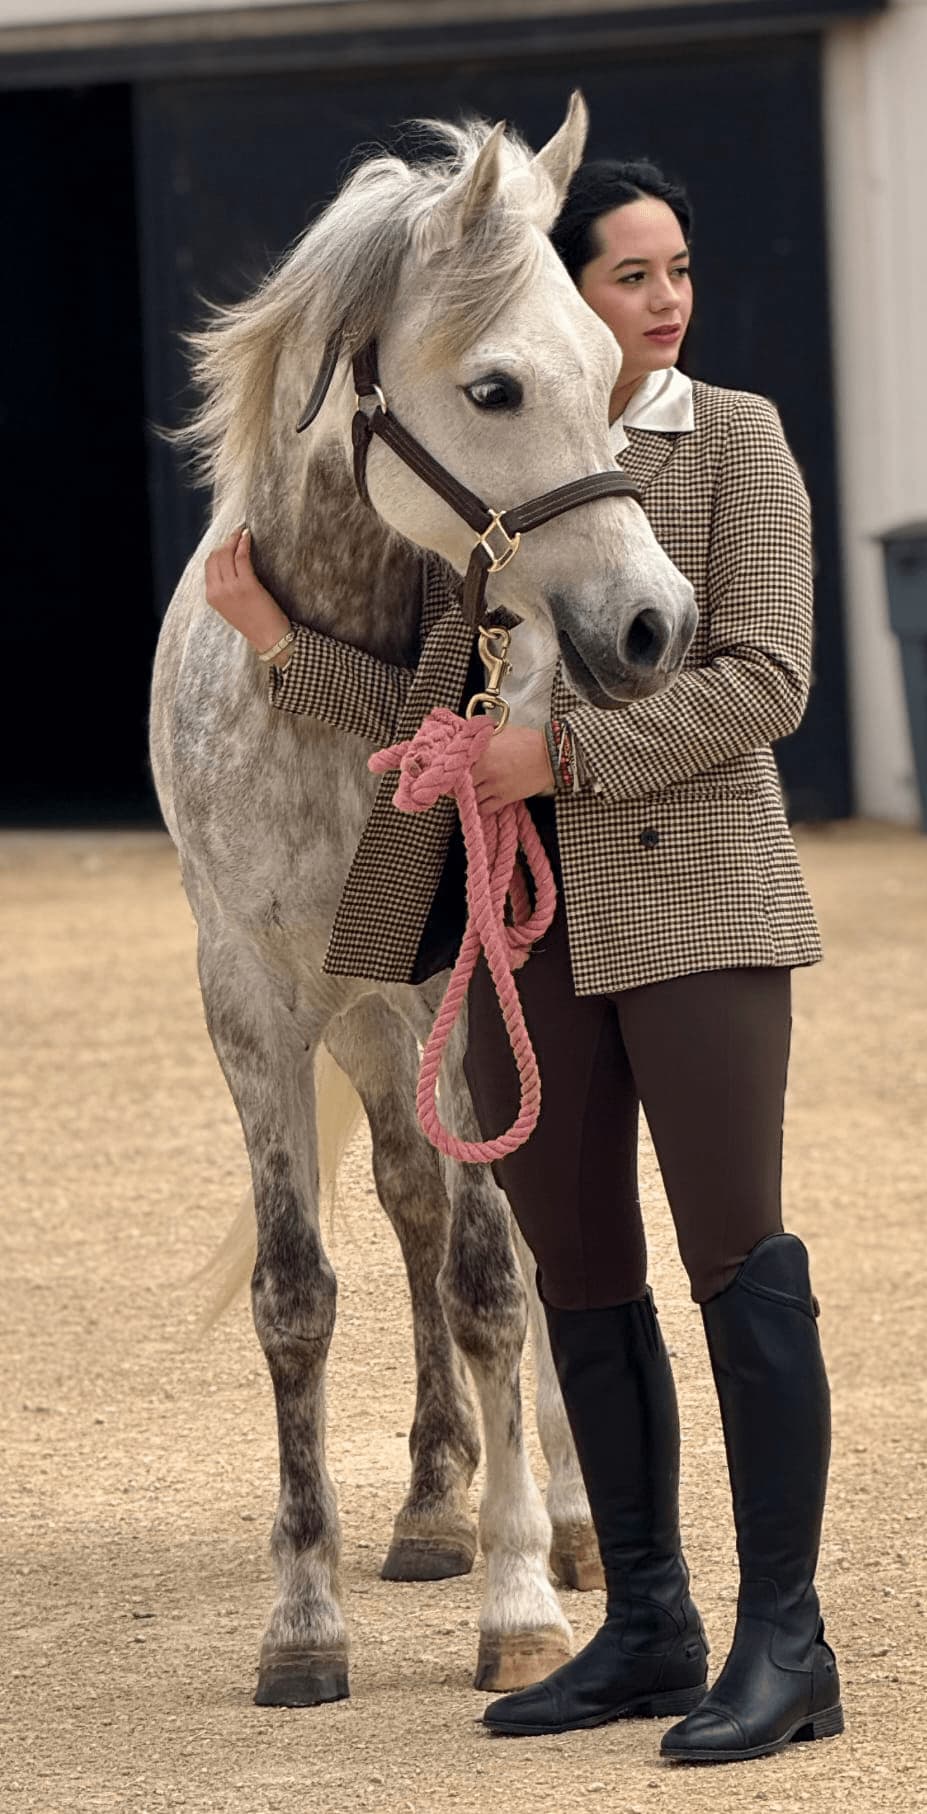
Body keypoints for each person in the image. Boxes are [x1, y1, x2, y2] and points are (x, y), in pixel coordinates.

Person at [203, 158, 842, 1766]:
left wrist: (554, 768)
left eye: (677, 269)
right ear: (562, 299)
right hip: (539, 937)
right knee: (582, 1271)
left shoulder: (736, 439)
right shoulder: (492, 488)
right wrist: (279, 647)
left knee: (739, 1265)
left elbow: (766, 679)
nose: (666, 298)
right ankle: (645, 1621)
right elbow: (430, 729)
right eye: (630, 275)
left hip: (698, 911)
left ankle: (788, 1640)